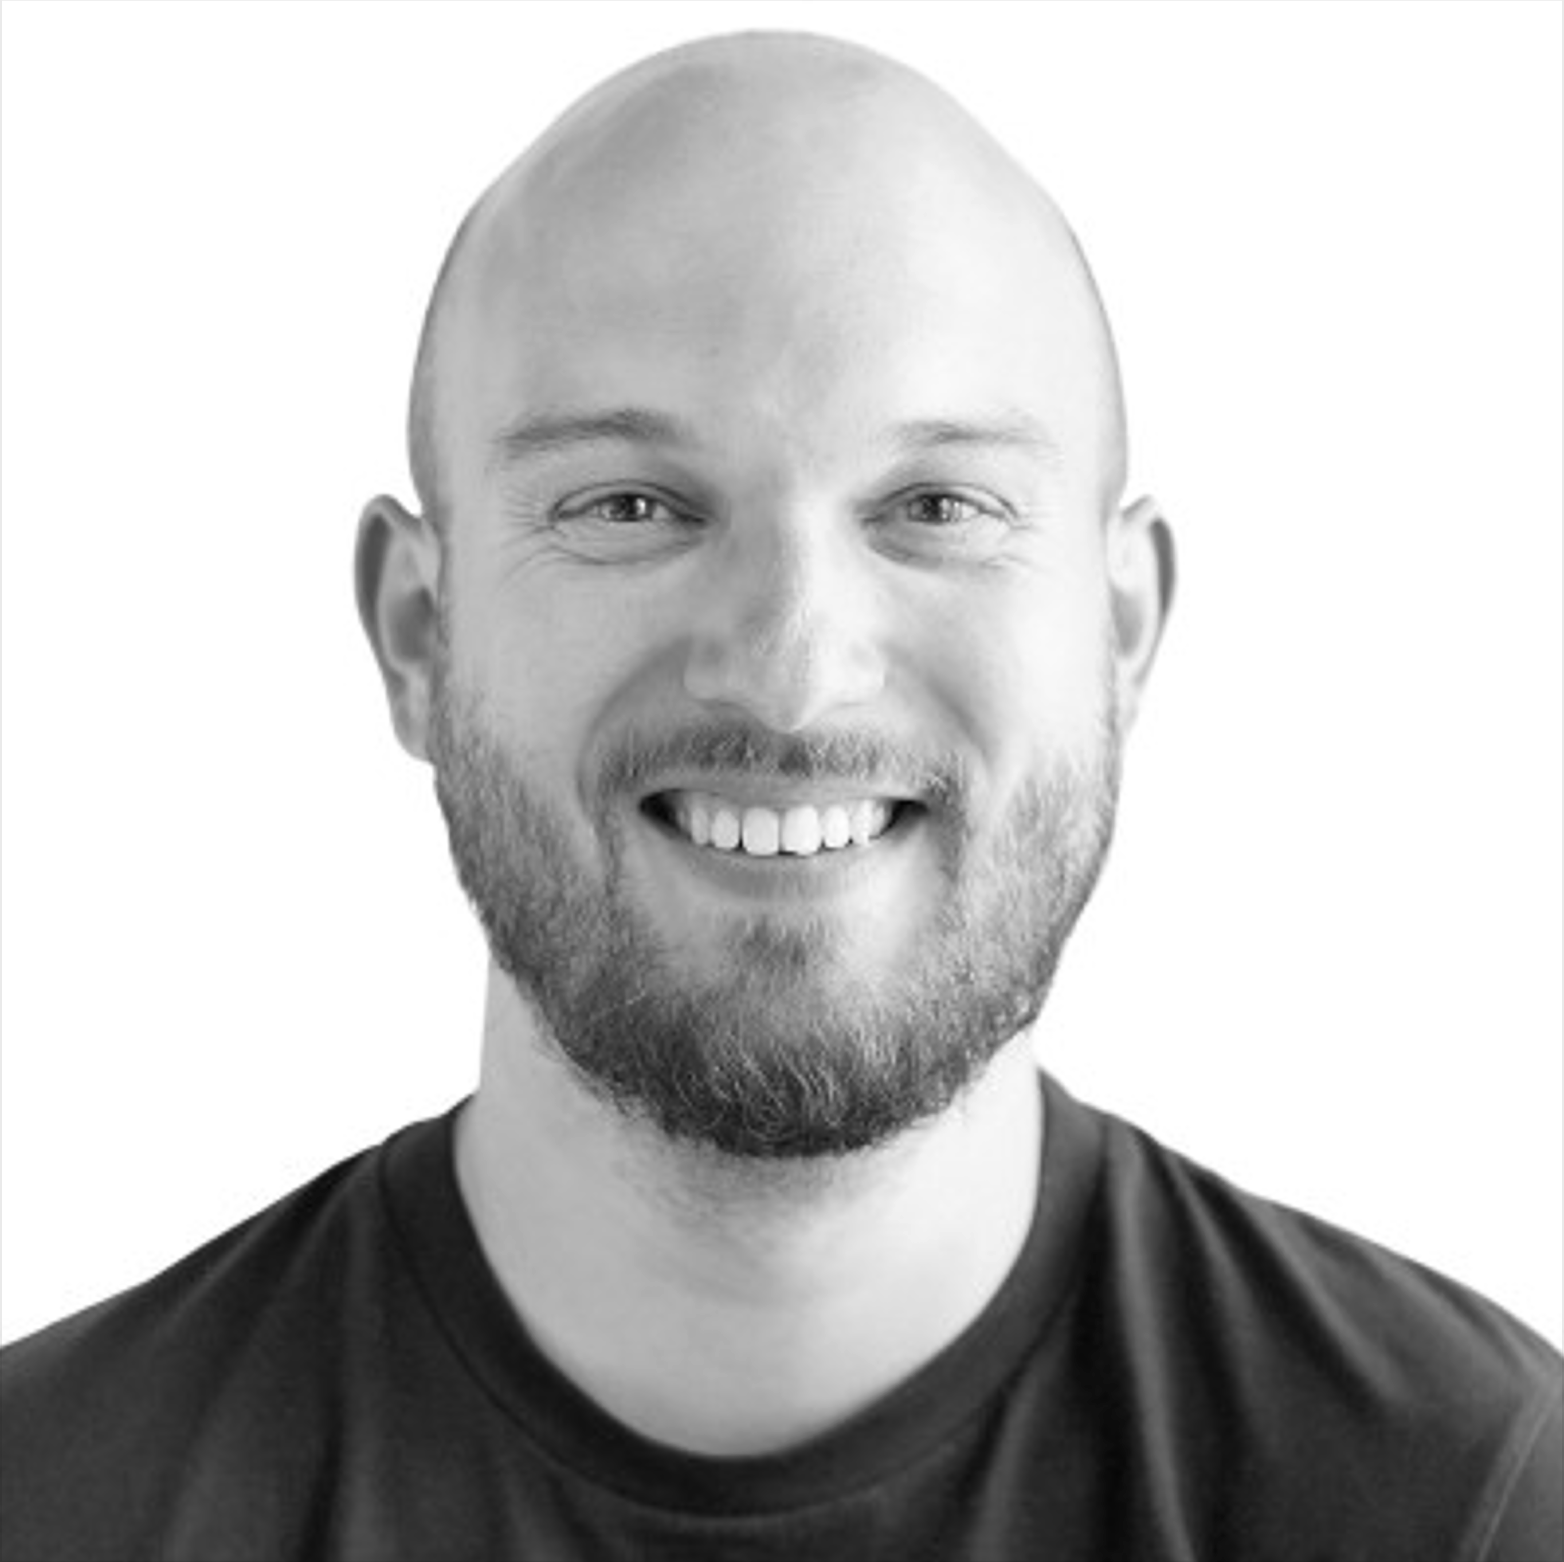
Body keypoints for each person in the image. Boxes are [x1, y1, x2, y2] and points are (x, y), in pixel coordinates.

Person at [1, 28, 1558, 1561]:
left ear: (1125, 627)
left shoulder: (1470, 1500)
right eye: (628, 504)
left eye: (937, 504)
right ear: (418, 629)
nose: (791, 671)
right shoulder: (52, 1501)